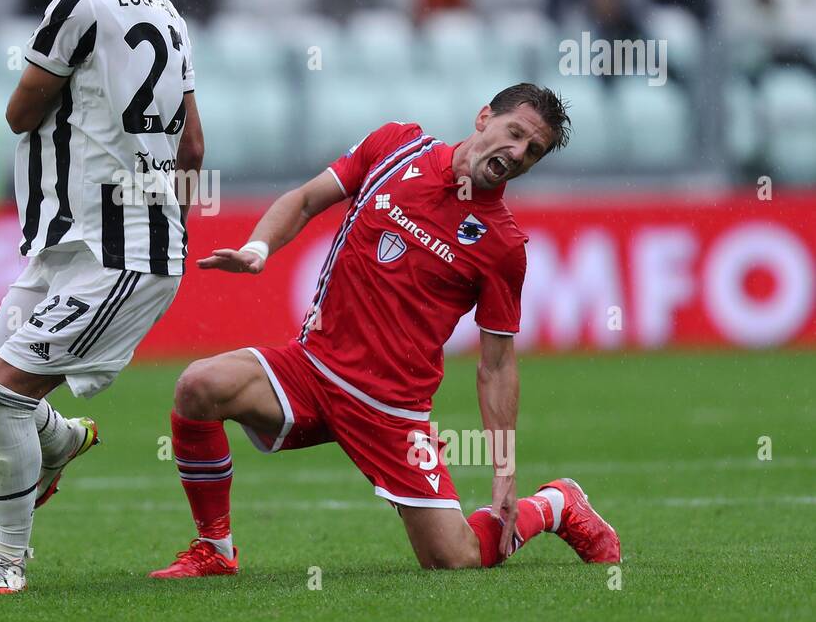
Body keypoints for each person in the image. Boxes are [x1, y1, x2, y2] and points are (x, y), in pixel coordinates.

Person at [149, 84, 622, 578]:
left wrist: (504, 471)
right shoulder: (397, 147)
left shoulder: (502, 245)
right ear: (484, 117)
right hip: (311, 370)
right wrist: (259, 249)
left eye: (533, 151)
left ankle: (555, 505)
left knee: (451, 559)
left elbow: (496, 364)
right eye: (515, 133)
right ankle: (215, 550)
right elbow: (308, 199)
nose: (518, 153)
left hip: (392, 412)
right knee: (199, 386)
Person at [0, 0, 204, 596]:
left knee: (4, 394)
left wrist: (154, 237)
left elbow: (18, 113)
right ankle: (62, 441)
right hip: (78, 242)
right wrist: (176, 229)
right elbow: (192, 148)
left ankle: (7, 562)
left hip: (117, 246)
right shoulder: (171, 16)